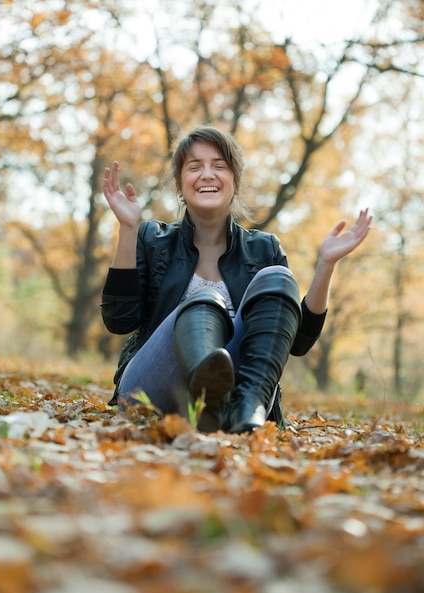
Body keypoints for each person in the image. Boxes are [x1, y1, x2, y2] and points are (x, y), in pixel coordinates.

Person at [101, 125, 371, 434]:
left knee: (278, 277)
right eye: (194, 166)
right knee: (203, 304)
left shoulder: (265, 248)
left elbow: (294, 343)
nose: (207, 174)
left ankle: (246, 408)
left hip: (239, 398)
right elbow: (119, 321)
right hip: (152, 392)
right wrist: (128, 229)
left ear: (235, 181)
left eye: (219, 165)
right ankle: (210, 395)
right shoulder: (151, 238)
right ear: (179, 184)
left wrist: (325, 265)